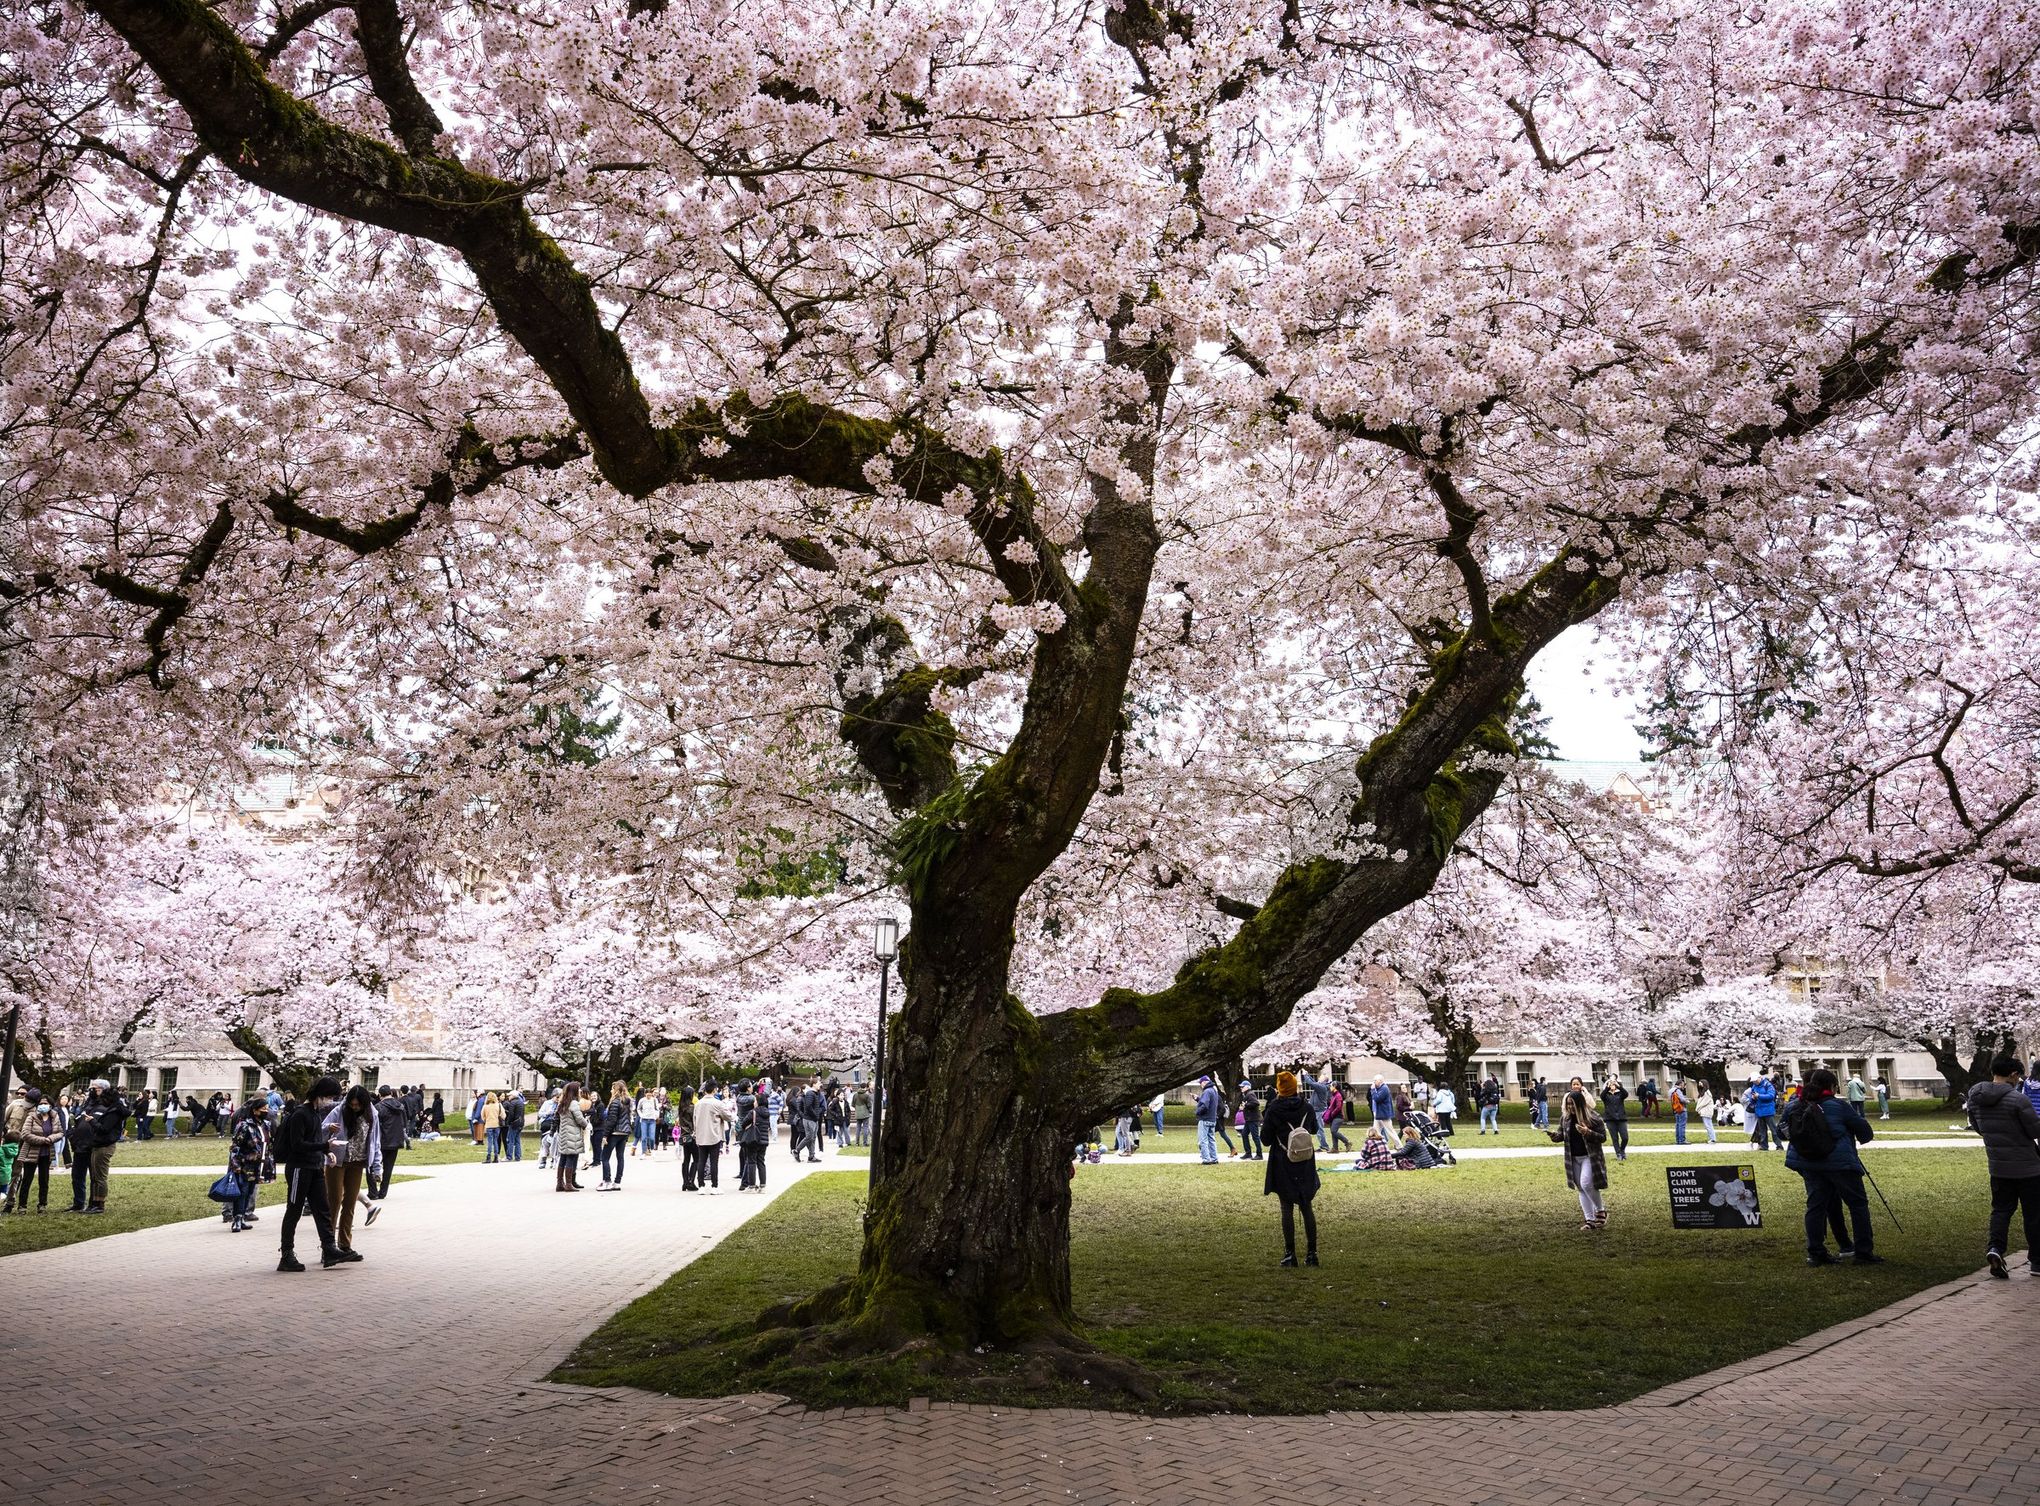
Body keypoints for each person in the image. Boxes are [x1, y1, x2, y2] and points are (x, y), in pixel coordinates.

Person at [1786, 1067, 1878, 1266]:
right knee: (1857, 1204)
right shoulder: (1839, 1106)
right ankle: (1863, 1251)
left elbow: (1783, 1130)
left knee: (1816, 1206)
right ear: (1831, 1086)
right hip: (1840, 1164)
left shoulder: (1795, 1105)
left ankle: (1816, 1253)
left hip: (1809, 1163)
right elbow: (1865, 1131)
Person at [1966, 1053, 2040, 1279]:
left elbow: (1978, 1126)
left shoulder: (1975, 1096)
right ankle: (2037, 1262)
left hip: (1998, 1167)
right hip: (2029, 1168)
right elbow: (2034, 1131)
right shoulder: (2018, 1100)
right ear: (2014, 1074)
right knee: (2034, 1214)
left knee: (2001, 1210)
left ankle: (1995, 1248)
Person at [275, 1077, 344, 1270]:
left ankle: (329, 1248)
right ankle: (287, 1254)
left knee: (322, 1209)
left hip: (314, 1167)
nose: (330, 1101)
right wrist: (324, 1145)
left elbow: (313, 1140)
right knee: (294, 1209)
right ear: (319, 1095)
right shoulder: (300, 1114)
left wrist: (326, 1151)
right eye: (329, 1096)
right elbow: (297, 1145)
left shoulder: (315, 1113)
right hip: (299, 1168)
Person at [1261, 1070, 1321, 1267]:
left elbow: (1265, 1140)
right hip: (1304, 1161)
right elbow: (1313, 1129)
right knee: (1306, 1206)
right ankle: (1312, 1253)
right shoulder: (1306, 1107)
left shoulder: (1274, 1109)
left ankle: (1290, 1253)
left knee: (1286, 1207)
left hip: (1283, 1161)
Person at [323, 1084, 382, 1249]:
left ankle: (345, 1245)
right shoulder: (339, 1111)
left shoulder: (372, 1115)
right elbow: (321, 1129)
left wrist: (377, 1167)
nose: (354, 1107)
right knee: (333, 1203)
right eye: (352, 1104)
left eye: (357, 1105)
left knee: (349, 1204)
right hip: (337, 1162)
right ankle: (328, 1246)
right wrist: (328, 1128)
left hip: (358, 1162)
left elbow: (375, 1142)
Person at [68, 1078, 127, 1215]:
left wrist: (92, 1123)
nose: (91, 1090)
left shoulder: (108, 1106)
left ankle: (94, 1204)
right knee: (77, 1176)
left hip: (95, 1146)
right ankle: (78, 1203)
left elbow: (105, 1127)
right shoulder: (88, 1104)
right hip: (80, 1145)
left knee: (96, 1177)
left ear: (102, 1089)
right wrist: (73, 1135)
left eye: (94, 1088)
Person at [1553, 1087, 1609, 1230]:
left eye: (1572, 1104)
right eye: (1568, 1104)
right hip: (1573, 1158)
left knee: (1586, 1184)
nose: (1570, 1107)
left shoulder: (1593, 1117)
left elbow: (1602, 1138)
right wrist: (1555, 1136)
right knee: (1581, 1189)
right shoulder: (1565, 1119)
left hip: (1589, 1157)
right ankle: (1589, 1220)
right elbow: (1561, 1135)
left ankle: (1601, 1210)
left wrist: (1588, 1132)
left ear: (1580, 1104)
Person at [225, 1096, 274, 1232]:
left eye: (267, 1108)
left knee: (250, 1192)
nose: (266, 1111)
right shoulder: (244, 1125)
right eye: (263, 1109)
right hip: (244, 1164)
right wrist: (236, 1166)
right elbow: (235, 1146)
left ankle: (243, 1218)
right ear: (255, 1110)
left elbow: (267, 1144)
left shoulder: (265, 1125)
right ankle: (237, 1218)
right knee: (242, 1191)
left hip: (258, 1165)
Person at [4, 1099, 57, 1214]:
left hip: (46, 1154)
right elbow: (26, 1134)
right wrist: (44, 1139)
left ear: (51, 1105)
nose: (43, 1105)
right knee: (27, 1180)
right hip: (31, 1152)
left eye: (46, 1103)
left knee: (44, 1180)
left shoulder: (54, 1117)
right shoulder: (32, 1117)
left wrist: (51, 1138)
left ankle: (42, 1204)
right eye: (41, 1103)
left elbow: (60, 1132)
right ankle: (22, 1206)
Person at [692, 1085, 734, 1192]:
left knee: (701, 1161)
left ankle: (701, 1186)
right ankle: (714, 1186)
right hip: (714, 1135)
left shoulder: (698, 1104)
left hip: (701, 1136)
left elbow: (694, 1120)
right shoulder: (718, 1103)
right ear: (715, 1090)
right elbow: (728, 1116)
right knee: (714, 1162)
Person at [371, 1086, 407, 1199]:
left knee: (372, 1166)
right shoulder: (400, 1106)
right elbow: (404, 1123)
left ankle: (373, 1191)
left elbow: (374, 1126)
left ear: (380, 1095)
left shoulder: (378, 1107)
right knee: (388, 1168)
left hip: (381, 1141)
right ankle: (383, 1192)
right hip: (395, 1141)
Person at [597, 1081, 632, 1189]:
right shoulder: (627, 1102)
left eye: (612, 1089)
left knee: (605, 1157)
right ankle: (617, 1182)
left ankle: (607, 1181)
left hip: (615, 1132)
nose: (611, 1090)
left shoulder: (615, 1102)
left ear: (616, 1090)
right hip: (624, 1132)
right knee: (620, 1157)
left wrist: (605, 1135)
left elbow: (612, 1120)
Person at [736, 1083, 771, 1191]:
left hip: (754, 1140)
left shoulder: (753, 1112)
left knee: (751, 1162)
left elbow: (743, 1123)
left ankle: (751, 1186)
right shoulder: (767, 1113)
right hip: (764, 1141)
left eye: (755, 1101)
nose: (754, 1102)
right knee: (761, 1162)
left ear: (758, 1102)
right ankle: (763, 1186)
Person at [1599, 1077, 1630, 1162]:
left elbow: (1626, 1094)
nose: (1613, 1085)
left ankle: (1622, 1149)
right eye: (1611, 1084)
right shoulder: (1606, 1095)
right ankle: (1618, 1154)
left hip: (1621, 1118)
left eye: (1614, 1084)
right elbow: (1602, 1096)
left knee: (1625, 1137)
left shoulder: (1620, 1094)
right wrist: (1608, 1087)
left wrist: (1618, 1086)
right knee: (1615, 1138)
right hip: (1610, 1119)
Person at [1194, 1075, 1223, 1164]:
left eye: (1200, 1083)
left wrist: (1197, 1112)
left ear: (1204, 1082)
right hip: (1212, 1119)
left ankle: (1206, 1159)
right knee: (1211, 1139)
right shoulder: (1214, 1091)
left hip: (1205, 1119)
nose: (1200, 1085)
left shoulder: (1206, 1091)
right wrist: (1198, 1099)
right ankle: (1214, 1158)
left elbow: (1205, 1105)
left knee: (1203, 1140)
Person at [1303, 1070, 1333, 1151]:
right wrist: (1308, 1074)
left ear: (1324, 1080)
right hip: (1316, 1110)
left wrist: (1305, 1075)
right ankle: (1322, 1145)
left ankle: (1324, 1146)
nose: (1319, 1077)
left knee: (1319, 1129)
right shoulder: (1321, 1086)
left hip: (1319, 1111)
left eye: (1320, 1077)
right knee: (1315, 1128)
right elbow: (1313, 1082)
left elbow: (1311, 1083)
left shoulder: (1322, 1087)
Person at [1748, 1072, 1779, 1150]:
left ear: (1760, 1077)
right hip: (1759, 1111)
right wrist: (1753, 1098)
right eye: (1753, 1081)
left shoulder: (1767, 1085)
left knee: (1773, 1130)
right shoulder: (1754, 1087)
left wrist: (1759, 1096)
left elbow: (1771, 1096)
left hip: (1768, 1110)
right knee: (1762, 1131)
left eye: (1755, 1080)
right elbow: (1752, 1100)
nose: (1754, 1082)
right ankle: (1764, 1146)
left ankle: (1779, 1145)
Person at [1239, 1080, 1263, 1160]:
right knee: (1244, 1134)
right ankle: (1248, 1153)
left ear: (1247, 1087)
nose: (1241, 1088)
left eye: (1242, 1086)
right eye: (1241, 1086)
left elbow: (1256, 1103)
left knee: (1255, 1137)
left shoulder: (1250, 1094)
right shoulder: (1247, 1094)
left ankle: (1259, 1154)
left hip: (1253, 1119)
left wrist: (1246, 1105)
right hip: (1249, 1119)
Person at [1323, 1084, 1351, 1153]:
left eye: (1331, 1086)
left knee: (1333, 1131)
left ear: (1335, 1087)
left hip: (1338, 1117)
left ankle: (1347, 1142)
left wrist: (1332, 1113)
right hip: (1333, 1117)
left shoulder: (1338, 1095)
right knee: (1333, 1132)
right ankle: (1335, 1148)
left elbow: (1338, 1107)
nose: (1330, 1087)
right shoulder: (1334, 1095)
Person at [502, 1089, 525, 1162]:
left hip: (514, 1123)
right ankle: (518, 1156)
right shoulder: (521, 1102)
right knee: (517, 1140)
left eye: (509, 1095)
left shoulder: (512, 1103)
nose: (508, 1097)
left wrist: (508, 1122)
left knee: (510, 1140)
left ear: (513, 1096)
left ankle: (509, 1156)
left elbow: (511, 1114)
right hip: (521, 1123)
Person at [481, 1091, 504, 1163]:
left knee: (490, 1141)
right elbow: (503, 1115)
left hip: (489, 1125)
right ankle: (496, 1157)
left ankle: (488, 1157)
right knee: (495, 1141)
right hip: (497, 1125)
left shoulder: (485, 1106)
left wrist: (487, 1119)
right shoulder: (499, 1105)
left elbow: (482, 1117)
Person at [1669, 1078, 1689, 1145]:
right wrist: (1687, 1101)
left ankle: (1678, 1140)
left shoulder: (1671, 1090)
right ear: (1680, 1084)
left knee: (1678, 1125)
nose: (1684, 1086)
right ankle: (1682, 1140)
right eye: (1683, 1084)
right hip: (1681, 1109)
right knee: (1682, 1125)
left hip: (1675, 1109)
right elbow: (1682, 1100)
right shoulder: (1678, 1090)